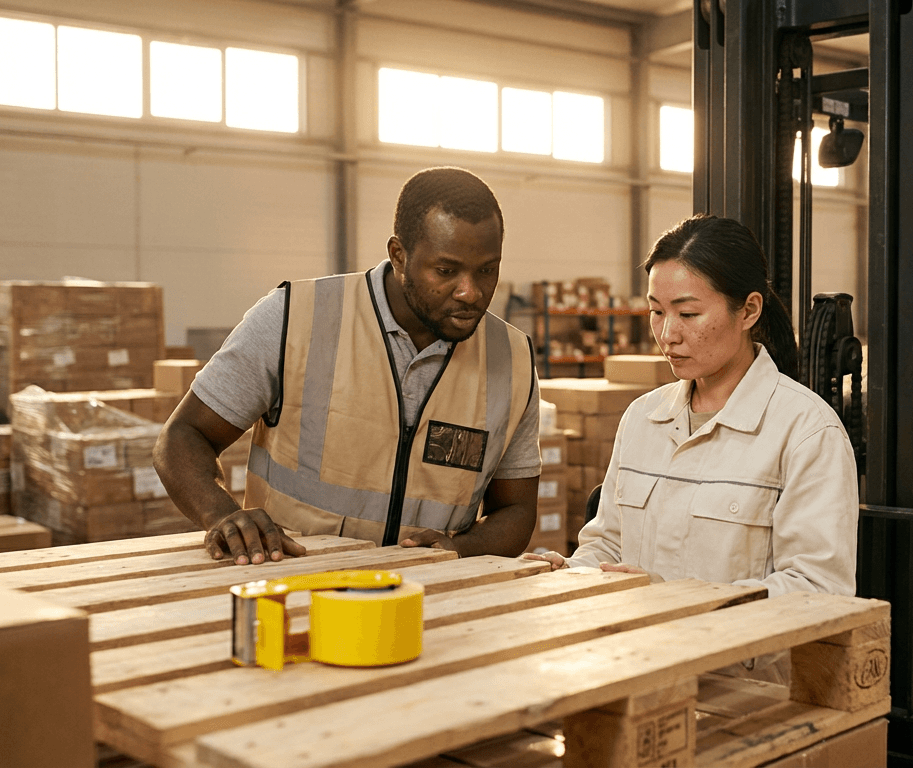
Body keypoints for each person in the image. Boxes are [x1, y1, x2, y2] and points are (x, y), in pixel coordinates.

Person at [154, 167, 541, 565]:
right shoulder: (296, 318)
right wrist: (222, 515)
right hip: (294, 586)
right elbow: (183, 436)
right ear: (399, 255)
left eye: (486, 270)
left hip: (426, 593)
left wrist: (460, 548)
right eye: (446, 271)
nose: (470, 292)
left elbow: (516, 509)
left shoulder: (512, 359)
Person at [523, 214, 858, 597]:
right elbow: (608, 547)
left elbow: (818, 587)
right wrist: (569, 570)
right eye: (656, 312)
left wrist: (678, 597)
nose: (668, 334)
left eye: (688, 314)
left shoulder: (806, 432)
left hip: (727, 639)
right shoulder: (642, 419)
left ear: (749, 311)